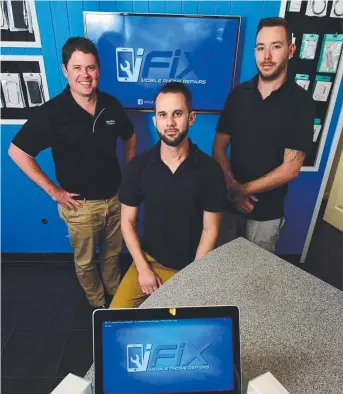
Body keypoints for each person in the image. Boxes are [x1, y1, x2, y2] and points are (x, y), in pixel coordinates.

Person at [9, 37, 136, 308]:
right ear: (66, 71)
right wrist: (54, 191)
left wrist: (128, 175)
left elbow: (130, 135)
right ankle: (97, 301)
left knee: (113, 253)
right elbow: (17, 152)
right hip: (80, 207)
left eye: (90, 67)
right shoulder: (52, 113)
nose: (85, 75)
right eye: (77, 68)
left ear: (98, 69)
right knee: (86, 260)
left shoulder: (111, 105)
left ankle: (115, 292)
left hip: (115, 200)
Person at [110, 82, 226, 308]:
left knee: (184, 330)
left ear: (191, 118)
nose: (170, 122)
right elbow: (127, 222)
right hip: (149, 261)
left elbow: (210, 228)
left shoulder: (210, 170)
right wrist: (143, 269)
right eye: (163, 115)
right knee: (116, 317)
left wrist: (193, 276)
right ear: (155, 121)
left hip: (192, 266)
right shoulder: (138, 167)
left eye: (177, 114)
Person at [213, 17, 315, 253]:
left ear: (291, 50)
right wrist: (231, 187)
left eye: (276, 46)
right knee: (221, 272)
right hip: (229, 206)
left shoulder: (301, 103)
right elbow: (218, 147)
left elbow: (291, 168)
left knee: (257, 280)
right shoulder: (238, 95)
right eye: (261, 48)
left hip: (266, 215)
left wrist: (242, 190)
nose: (267, 56)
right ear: (255, 51)